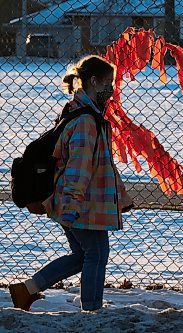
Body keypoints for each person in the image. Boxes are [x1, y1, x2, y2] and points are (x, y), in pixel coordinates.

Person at [9, 55, 133, 312]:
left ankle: (27, 290)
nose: (111, 89)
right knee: (97, 255)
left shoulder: (81, 113)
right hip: (80, 203)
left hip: (78, 201)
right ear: (93, 81)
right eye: (108, 83)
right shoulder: (86, 121)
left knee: (82, 256)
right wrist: (72, 205)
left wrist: (121, 198)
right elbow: (78, 168)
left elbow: (103, 165)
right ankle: (92, 308)